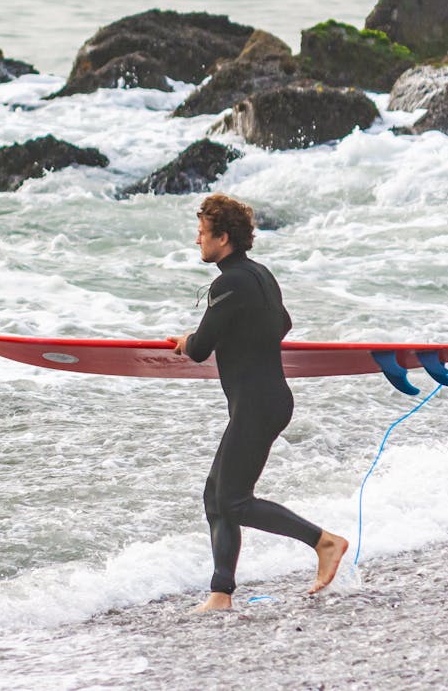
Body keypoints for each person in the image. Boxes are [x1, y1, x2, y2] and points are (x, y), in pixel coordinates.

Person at [170, 194, 347, 612]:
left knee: (233, 500)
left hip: (256, 403)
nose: (197, 241)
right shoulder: (261, 275)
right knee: (216, 495)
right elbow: (283, 323)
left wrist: (183, 344)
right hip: (267, 398)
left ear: (223, 238)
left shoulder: (228, 282)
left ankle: (324, 542)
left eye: (202, 234)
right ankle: (220, 594)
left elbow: (199, 348)